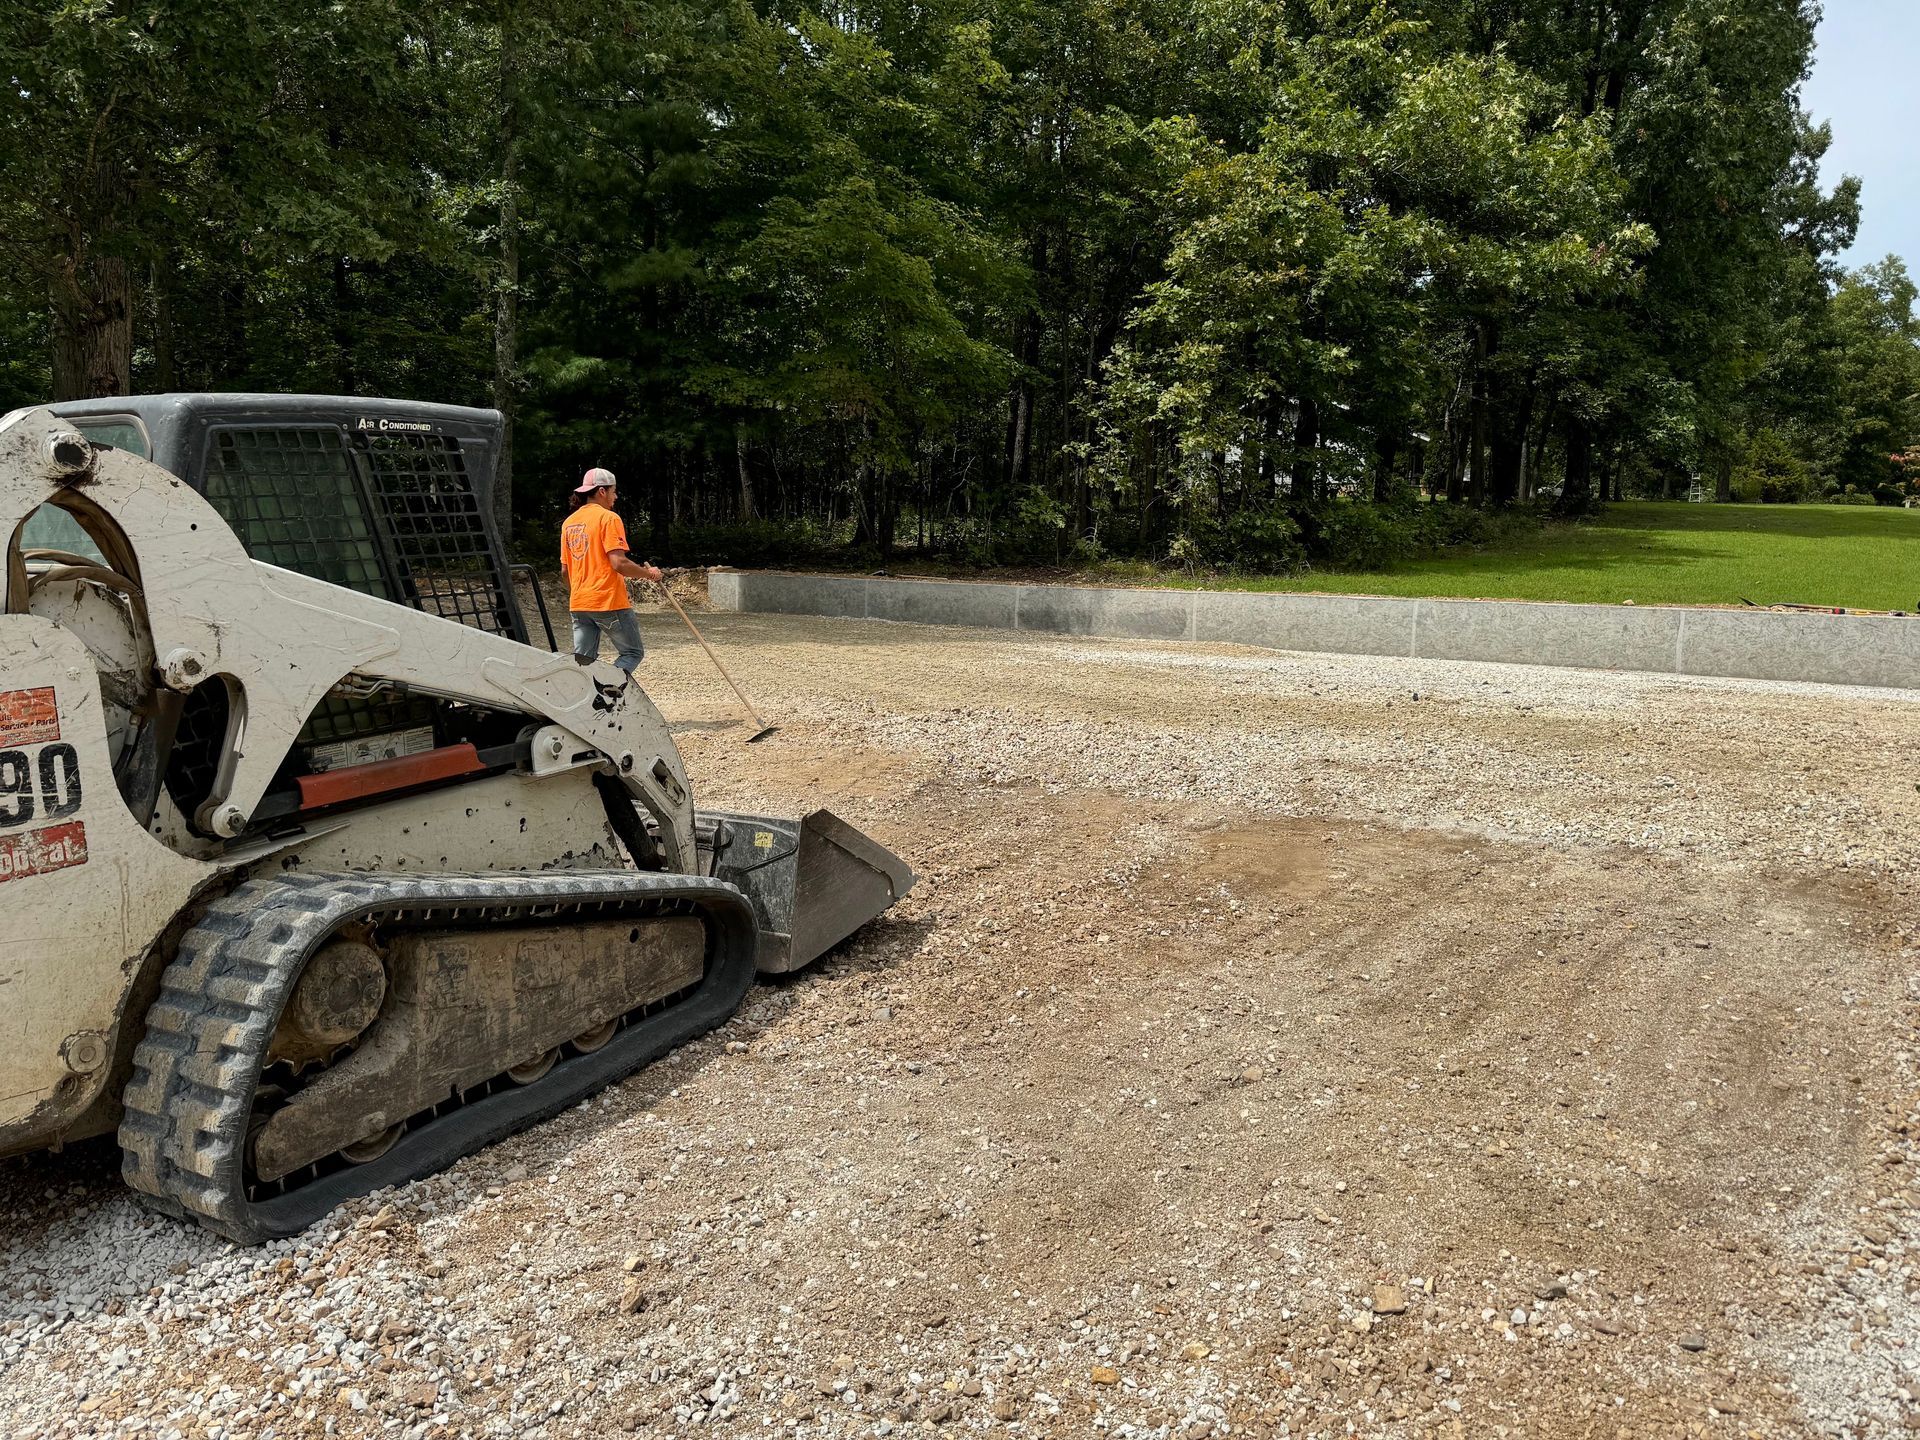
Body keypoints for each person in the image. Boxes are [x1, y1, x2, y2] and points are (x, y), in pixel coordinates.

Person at [561, 467, 663, 678]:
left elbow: (565, 570)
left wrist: (578, 594)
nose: (615, 496)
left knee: (583, 662)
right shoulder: (608, 518)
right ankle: (606, 691)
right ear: (601, 491)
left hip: (579, 603)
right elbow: (619, 563)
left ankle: (580, 702)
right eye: (614, 491)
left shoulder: (569, 523)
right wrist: (649, 573)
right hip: (607, 600)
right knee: (632, 652)